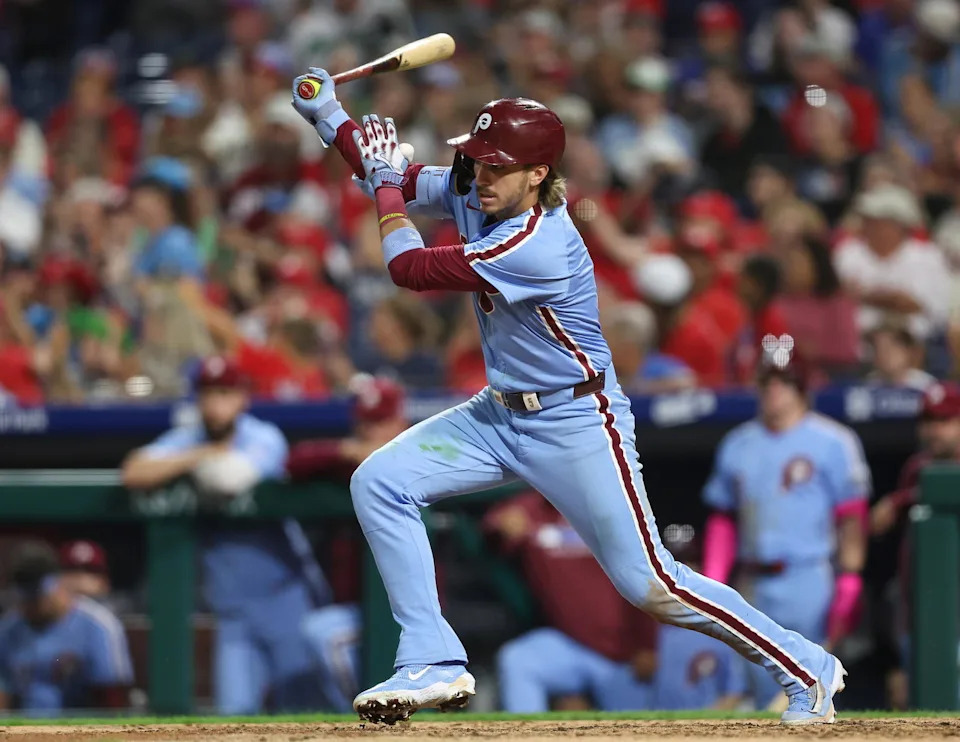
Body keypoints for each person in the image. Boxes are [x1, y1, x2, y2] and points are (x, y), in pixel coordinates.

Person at [292, 68, 847, 725]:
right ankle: (432, 657)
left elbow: (404, 266)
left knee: (652, 585)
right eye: (476, 159)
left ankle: (807, 667)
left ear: (537, 174)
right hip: (498, 414)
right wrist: (330, 114)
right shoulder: (480, 188)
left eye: (497, 166)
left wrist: (385, 184)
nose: (479, 175)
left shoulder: (539, 243)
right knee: (379, 482)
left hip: (575, 419)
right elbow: (392, 175)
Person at [121, 355, 326, 714]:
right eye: (208, 394)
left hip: (285, 599)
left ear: (242, 398)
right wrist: (199, 454)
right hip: (232, 613)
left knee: (305, 712)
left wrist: (191, 463)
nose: (216, 405)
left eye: (225, 394)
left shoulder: (263, 435)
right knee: (234, 717)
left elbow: (230, 478)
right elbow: (133, 471)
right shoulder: (190, 440)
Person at [701, 343, 869, 708]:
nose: (773, 389)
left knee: (813, 695)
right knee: (762, 697)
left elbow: (851, 517)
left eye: (784, 380)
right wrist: (715, 581)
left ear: (802, 386)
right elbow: (723, 518)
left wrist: (850, 577)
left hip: (807, 578)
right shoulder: (737, 443)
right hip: (752, 582)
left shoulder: (833, 440)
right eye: (766, 380)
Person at [489, 491, 659, 712]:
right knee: (518, 660)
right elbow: (494, 527)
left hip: (623, 654)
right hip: (568, 643)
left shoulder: (609, 507)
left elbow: (642, 580)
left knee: (636, 725)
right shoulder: (534, 508)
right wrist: (498, 526)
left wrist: (648, 644)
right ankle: (524, 731)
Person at [0, 541, 133, 714]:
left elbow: (111, 700)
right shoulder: (9, 629)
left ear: (58, 583)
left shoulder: (97, 625)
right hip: (23, 725)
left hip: (81, 725)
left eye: (38, 597)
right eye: (26, 599)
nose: (31, 605)